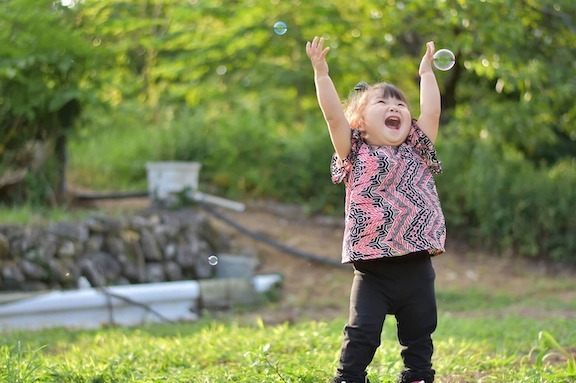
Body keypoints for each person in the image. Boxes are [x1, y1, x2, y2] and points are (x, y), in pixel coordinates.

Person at [305, 36, 446, 383]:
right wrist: (321, 73)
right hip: (372, 271)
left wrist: (426, 72)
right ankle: (349, 376)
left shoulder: (418, 149)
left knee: (420, 332)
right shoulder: (353, 151)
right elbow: (333, 117)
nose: (395, 107)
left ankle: (417, 375)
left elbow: (431, 112)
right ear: (361, 122)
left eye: (399, 103)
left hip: (416, 265)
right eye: (382, 101)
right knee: (361, 332)